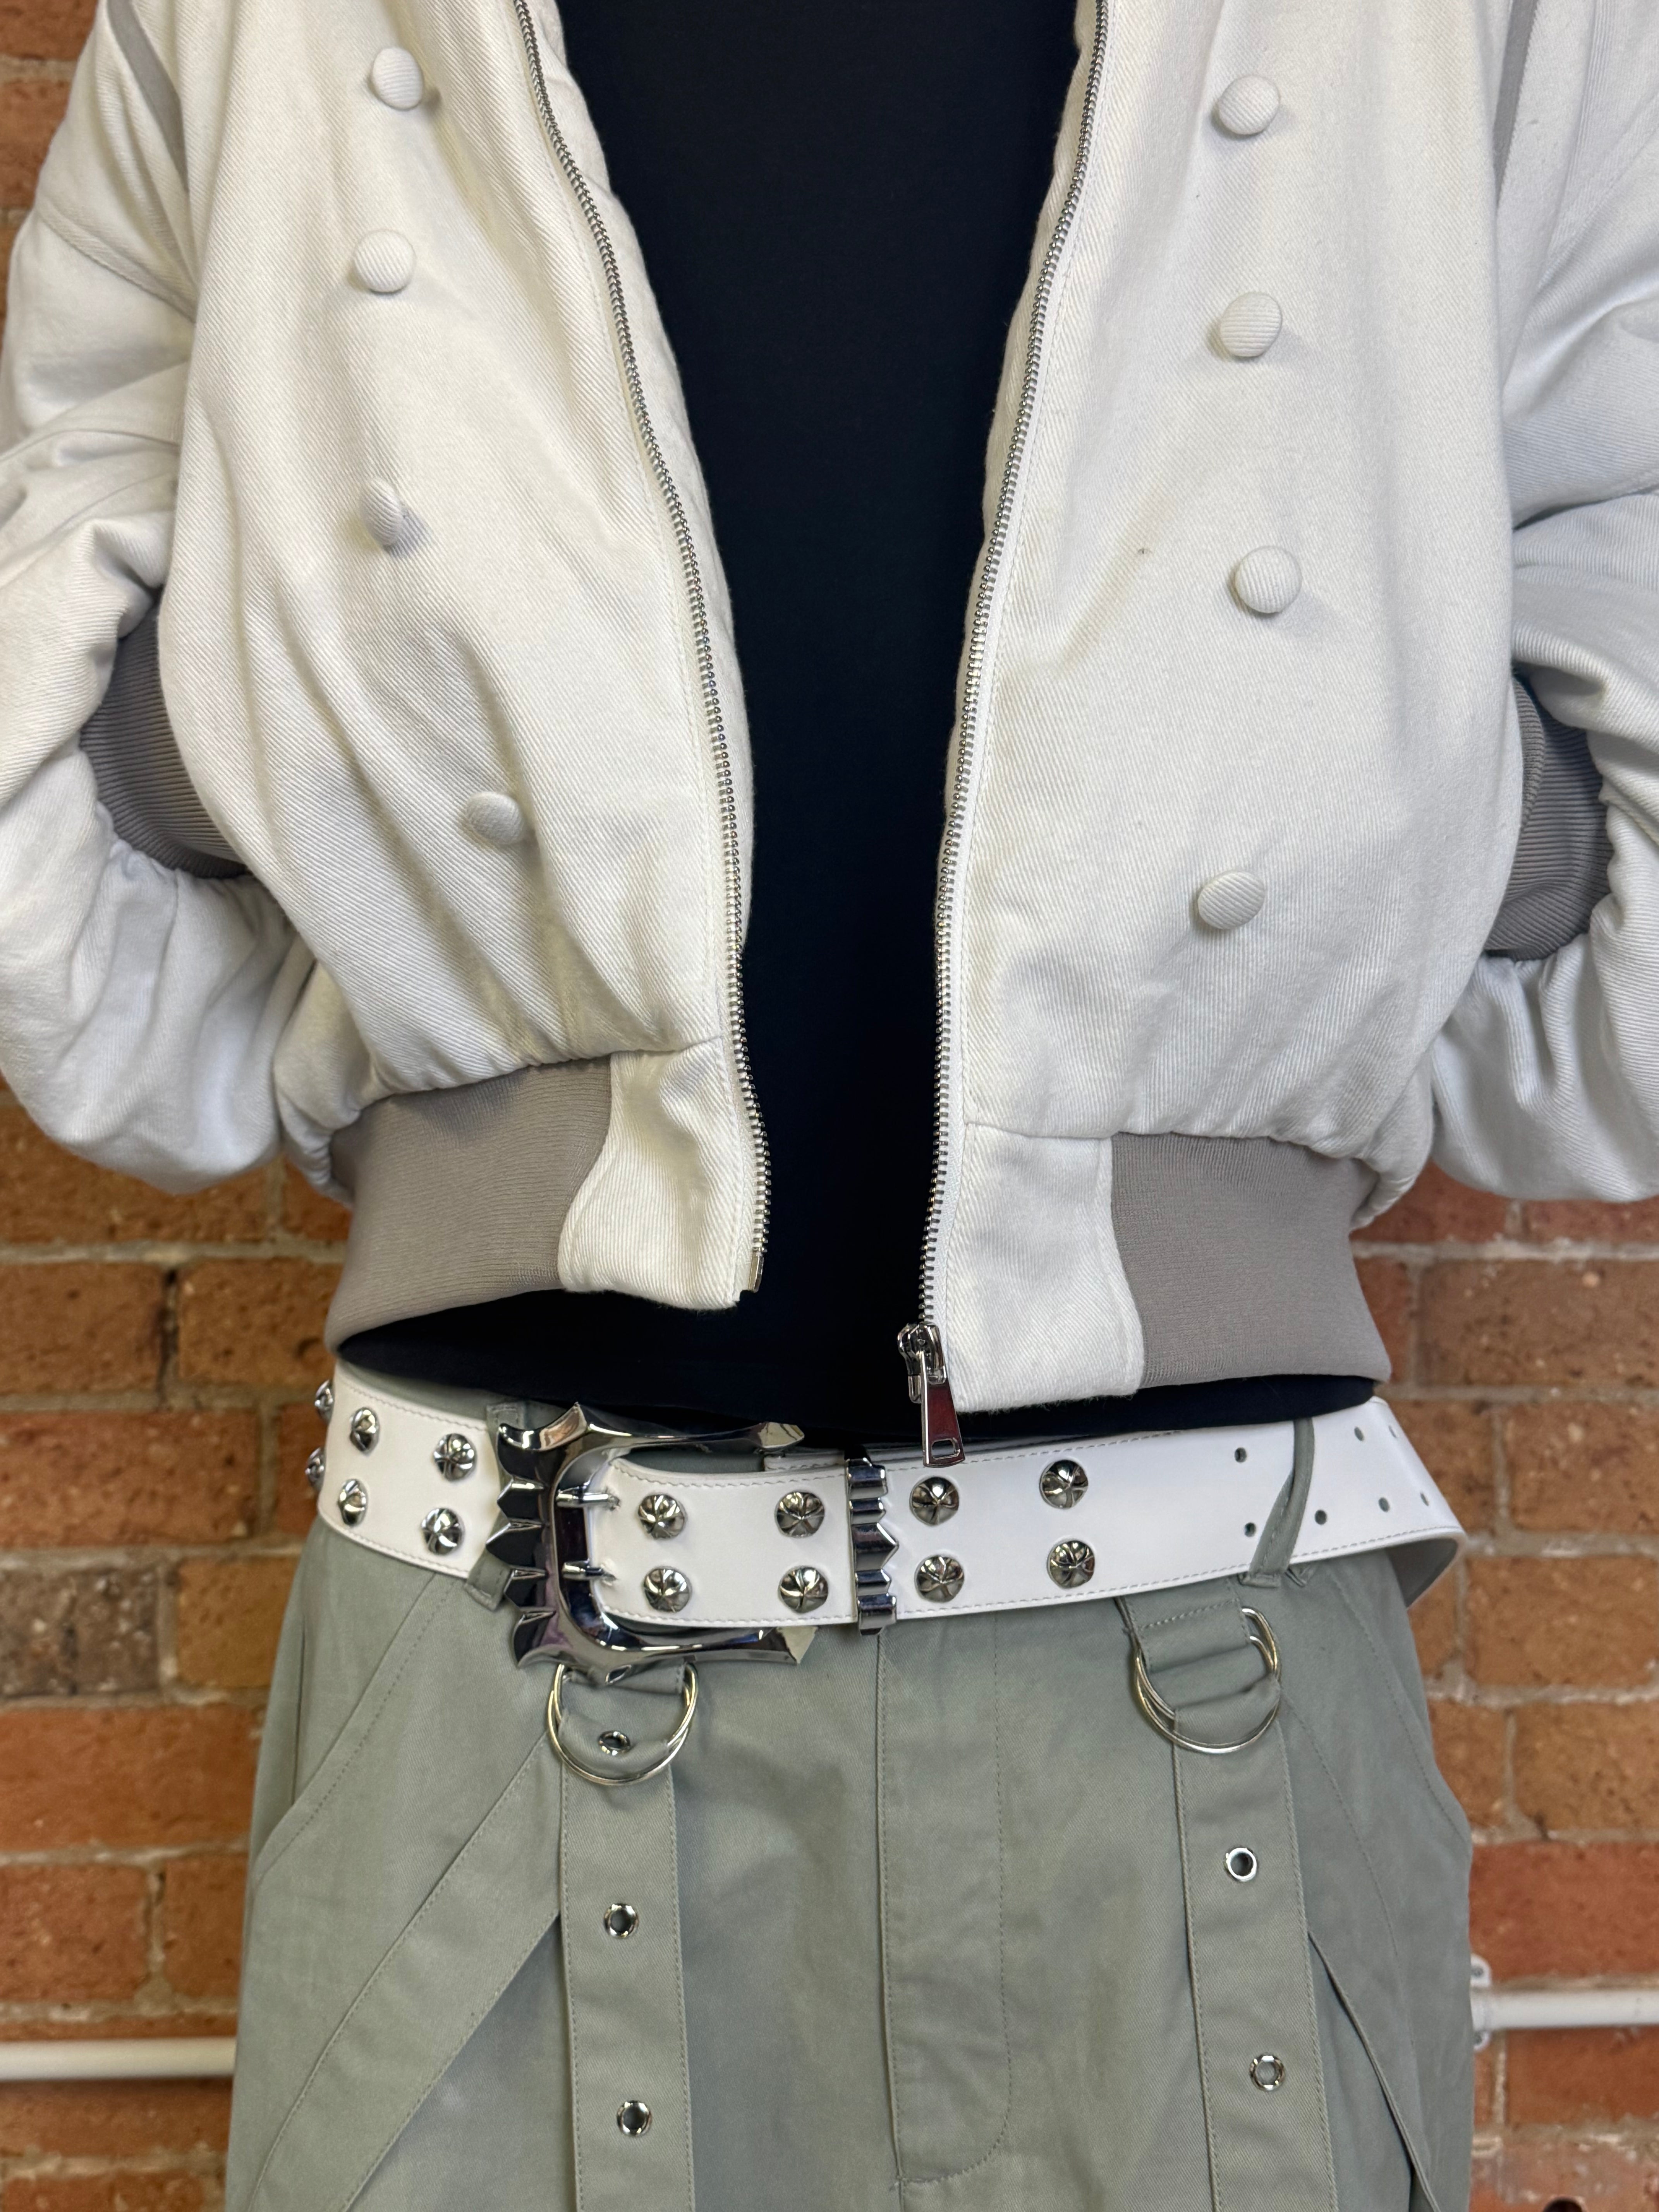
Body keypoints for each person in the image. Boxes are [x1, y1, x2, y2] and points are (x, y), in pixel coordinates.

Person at [1, 0, 1655, 2202]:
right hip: (503, 1670)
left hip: (1209, 1711)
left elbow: (1623, 615)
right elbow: (58, 710)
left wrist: (1362, 774)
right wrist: (343, 725)